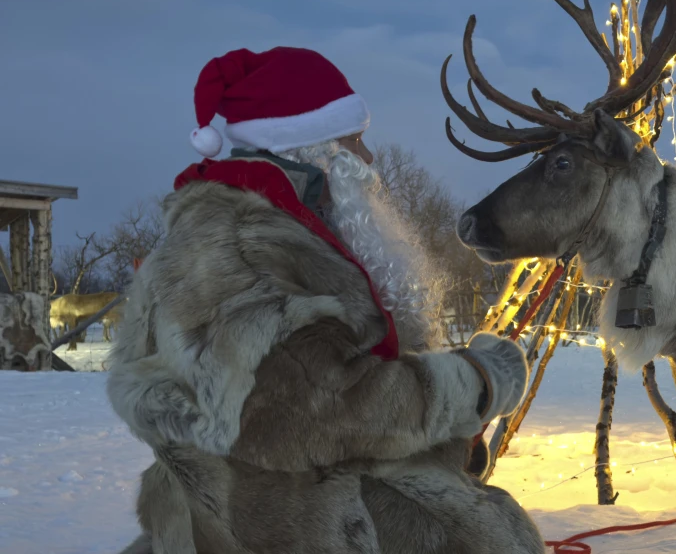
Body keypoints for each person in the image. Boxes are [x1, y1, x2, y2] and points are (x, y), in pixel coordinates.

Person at [106, 46, 544, 553]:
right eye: (354, 140)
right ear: (311, 148)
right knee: (480, 533)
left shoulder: (283, 228)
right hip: (266, 522)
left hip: (267, 498)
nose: (368, 158)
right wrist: (476, 384)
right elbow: (314, 411)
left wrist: (441, 442)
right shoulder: (242, 248)